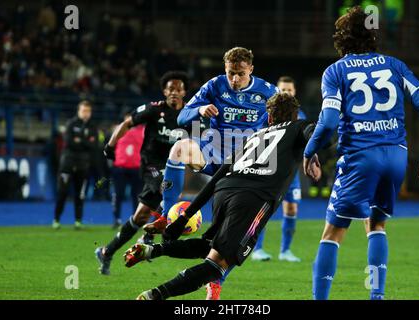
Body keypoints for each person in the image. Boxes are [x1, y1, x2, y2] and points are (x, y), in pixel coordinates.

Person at [302, 6, 419, 300]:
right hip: (395, 156)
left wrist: (310, 149)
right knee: (376, 225)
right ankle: (376, 296)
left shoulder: (336, 71)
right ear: (374, 36)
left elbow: (327, 122)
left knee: (333, 232)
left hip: (360, 156)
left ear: (341, 39)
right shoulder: (395, 65)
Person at [123, 93, 318, 300]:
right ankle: (153, 296)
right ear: (295, 116)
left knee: (210, 245)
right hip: (253, 198)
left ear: (269, 118)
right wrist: (312, 152)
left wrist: (183, 218)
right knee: (218, 265)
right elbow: (315, 133)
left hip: (223, 192)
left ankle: (152, 250)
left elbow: (216, 178)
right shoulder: (298, 127)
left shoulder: (254, 137)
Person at [144, 47, 279, 299]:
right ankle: (166, 216)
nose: (234, 79)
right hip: (214, 152)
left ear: (251, 69)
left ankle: (216, 280)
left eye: (239, 73)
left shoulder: (269, 92)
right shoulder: (215, 86)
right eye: (230, 73)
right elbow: (183, 116)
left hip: (245, 164)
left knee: (231, 233)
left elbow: (289, 121)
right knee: (180, 148)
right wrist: (200, 110)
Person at [94, 71, 189, 275]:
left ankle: (106, 251)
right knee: (167, 187)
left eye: (178, 88)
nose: (174, 92)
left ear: (184, 92)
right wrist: (110, 146)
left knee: (140, 216)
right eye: (170, 88)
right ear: (164, 91)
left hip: (173, 166)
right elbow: (127, 123)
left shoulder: (189, 115)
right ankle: (148, 237)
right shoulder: (154, 110)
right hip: (151, 165)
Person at [252, 76, 306, 262]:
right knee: (262, 208)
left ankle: (285, 251)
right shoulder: (267, 114)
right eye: (282, 90)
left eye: (289, 90)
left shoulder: (301, 116)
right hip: (269, 169)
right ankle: (256, 249)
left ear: (295, 92)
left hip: (291, 173)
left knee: (291, 209)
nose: (286, 93)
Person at [52, 101, 98, 230]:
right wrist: (86, 141)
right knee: (62, 193)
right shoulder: (71, 124)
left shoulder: (93, 126)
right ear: (78, 111)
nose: (85, 114)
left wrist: (79, 140)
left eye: (88, 111)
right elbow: (69, 142)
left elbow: (94, 146)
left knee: (80, 194)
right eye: (83, 111)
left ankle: (78, 221)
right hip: (67, 164)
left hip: (83, 165)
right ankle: (56, 219)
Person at [110, 110, 144, 229]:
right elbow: (110, 147)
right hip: (120, 168)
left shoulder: (144, 131)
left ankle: (136, 220)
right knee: (118, 194)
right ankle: (116, 219)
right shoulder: (118, 130)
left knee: (137, 196)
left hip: (137, 168)